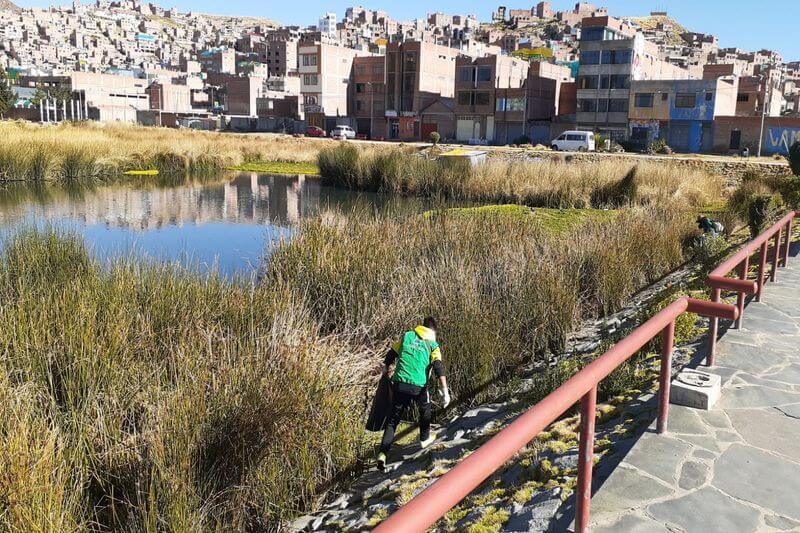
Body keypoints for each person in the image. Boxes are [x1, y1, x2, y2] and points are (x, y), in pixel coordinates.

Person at [377, 316, 450, 470]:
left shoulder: (407, 336)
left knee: (392, 421)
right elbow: (438, 367)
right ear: (433, 331)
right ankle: (424, 438)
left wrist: (385, 368)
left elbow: (391, 354)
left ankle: (382, 455)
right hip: (418, 386)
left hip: (399, 384)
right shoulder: (433, 345)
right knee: (425, 410)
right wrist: (445, 391)